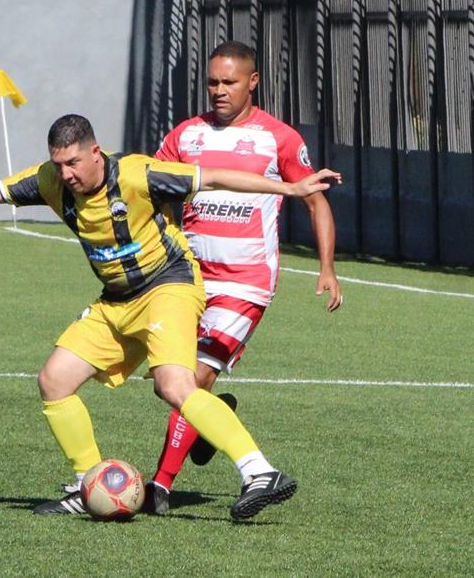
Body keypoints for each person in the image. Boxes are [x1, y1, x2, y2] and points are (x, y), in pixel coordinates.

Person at [0, 114, 341, 521]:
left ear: (95, 152)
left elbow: (213, 176)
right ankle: (88, 484)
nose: (66, 175)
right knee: (54, 380)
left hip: (169, 286)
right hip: (116, 300)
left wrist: (292, 191)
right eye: (59, 165)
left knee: (173, 384)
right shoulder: (50, 181)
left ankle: (260, 471)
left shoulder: (139, 173)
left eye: (74, 163)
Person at [143, 41, 344, 514]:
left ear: (253, 82)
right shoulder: (186, 135)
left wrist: (328, 268)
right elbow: (155, 188)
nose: (218, 90)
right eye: (212, 82)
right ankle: (216, 420)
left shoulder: (279, 138)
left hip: (245, 282)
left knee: (192, 377)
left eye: (228, 82)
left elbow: (316, 201)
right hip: (188, 279)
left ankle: (159, 487)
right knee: (171, 382)